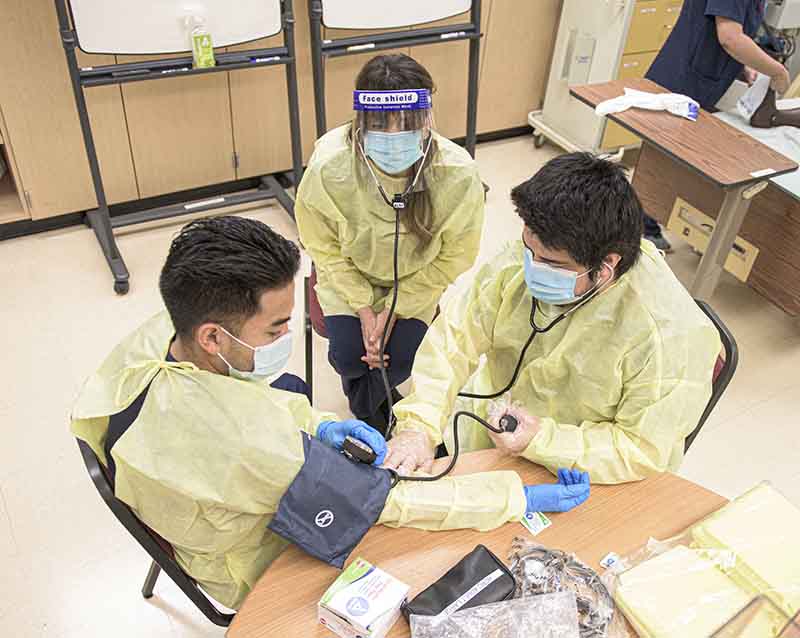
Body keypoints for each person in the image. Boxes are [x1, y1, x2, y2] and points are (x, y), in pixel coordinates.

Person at [70, 216, 589, 610]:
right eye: (274, 329)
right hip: (247, 559)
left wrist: (320, 425)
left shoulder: (161, 333)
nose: (286, 338)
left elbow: (251, 406)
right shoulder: (250, 447)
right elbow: (387, 506)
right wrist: (517, 496)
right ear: (213, 337)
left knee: (294, 394)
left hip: (183, 483)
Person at [385, 153, 722, 484]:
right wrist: (419, 425)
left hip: (587, 467)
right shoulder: (534, 254)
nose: (532, 267)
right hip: (492, 430)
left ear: (605, 267)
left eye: (551, 263)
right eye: (529, 250)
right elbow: (453, 340)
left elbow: (640, 448)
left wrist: (542, 440)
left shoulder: (669, 335)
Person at [295, 54, 485, 431]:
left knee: (399, 361)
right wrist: (365, 309)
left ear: (427, 119)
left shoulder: (456, 172)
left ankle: (368, 415)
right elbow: (322, 248)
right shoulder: (329, 166)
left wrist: (395, 310)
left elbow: (455, 255)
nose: (395, 137)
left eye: (407, 125)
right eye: (382, 125)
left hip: (417, 283)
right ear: (361, 120)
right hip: (348, 281)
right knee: (350, 357)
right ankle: (379, 415)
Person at [643, 0, 791, 251]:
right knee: (663, 164)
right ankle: (643, 230)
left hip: (701, 80)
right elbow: (730, 38)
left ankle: (675, 229)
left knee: (685, 162)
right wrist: (776, 71)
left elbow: (727, 31)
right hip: (682, 81)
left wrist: (743, 65)